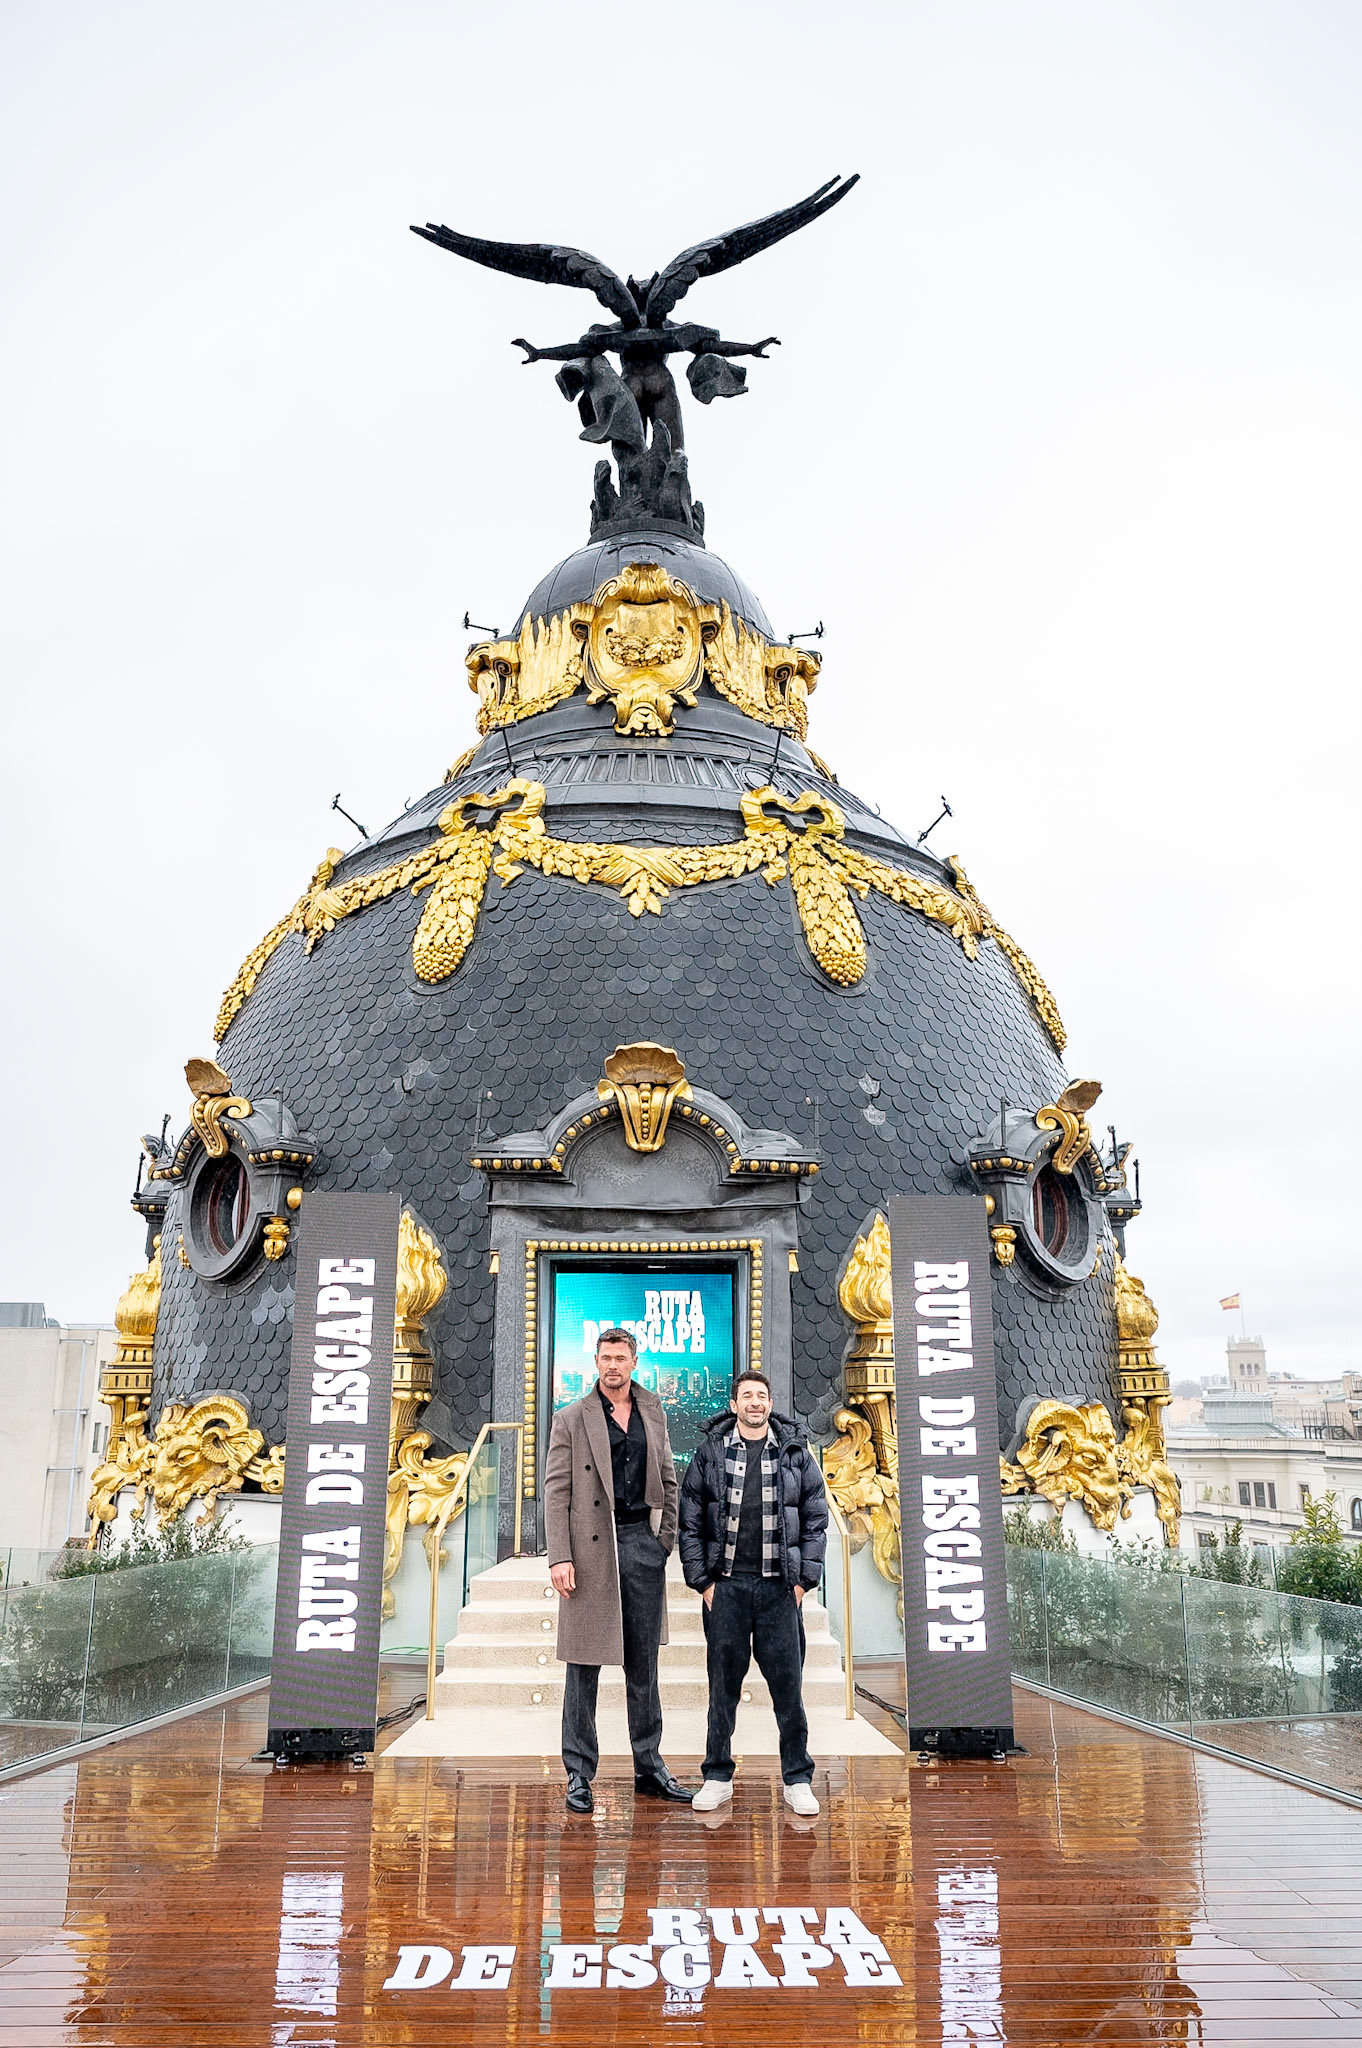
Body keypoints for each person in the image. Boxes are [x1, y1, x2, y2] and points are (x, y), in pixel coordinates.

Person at [543, 1327, 694, 1813]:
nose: (612, 1365)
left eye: (621, 1357)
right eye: (605, 1357)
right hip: (590, 1551)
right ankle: (579, 1774)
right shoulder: (570, 1418)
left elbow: (670, 1480)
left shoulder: (654, 1410)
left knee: (643, 1665)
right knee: (583, 1666)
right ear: (596, 1362)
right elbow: (556, 1493)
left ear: (634, 1362)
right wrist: (559, 1555)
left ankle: (649, 1767)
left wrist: (663, 1541)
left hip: (640, 1543)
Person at [678, 1370, 828, 1816]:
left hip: (779, 1590)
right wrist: (702, 1581)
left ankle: (798, 1778)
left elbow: (816, 1519)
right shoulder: (710, 1453)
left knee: (789, 1690)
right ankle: (717, 1776)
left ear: (769, 1402)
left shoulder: (795, 1454)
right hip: (725, 1589)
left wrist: (803, 1581)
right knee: (721, 1688)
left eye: (762, 1396)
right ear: (734, 1403)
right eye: (747, 1396)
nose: (755, 1403)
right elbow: (689, 1520)